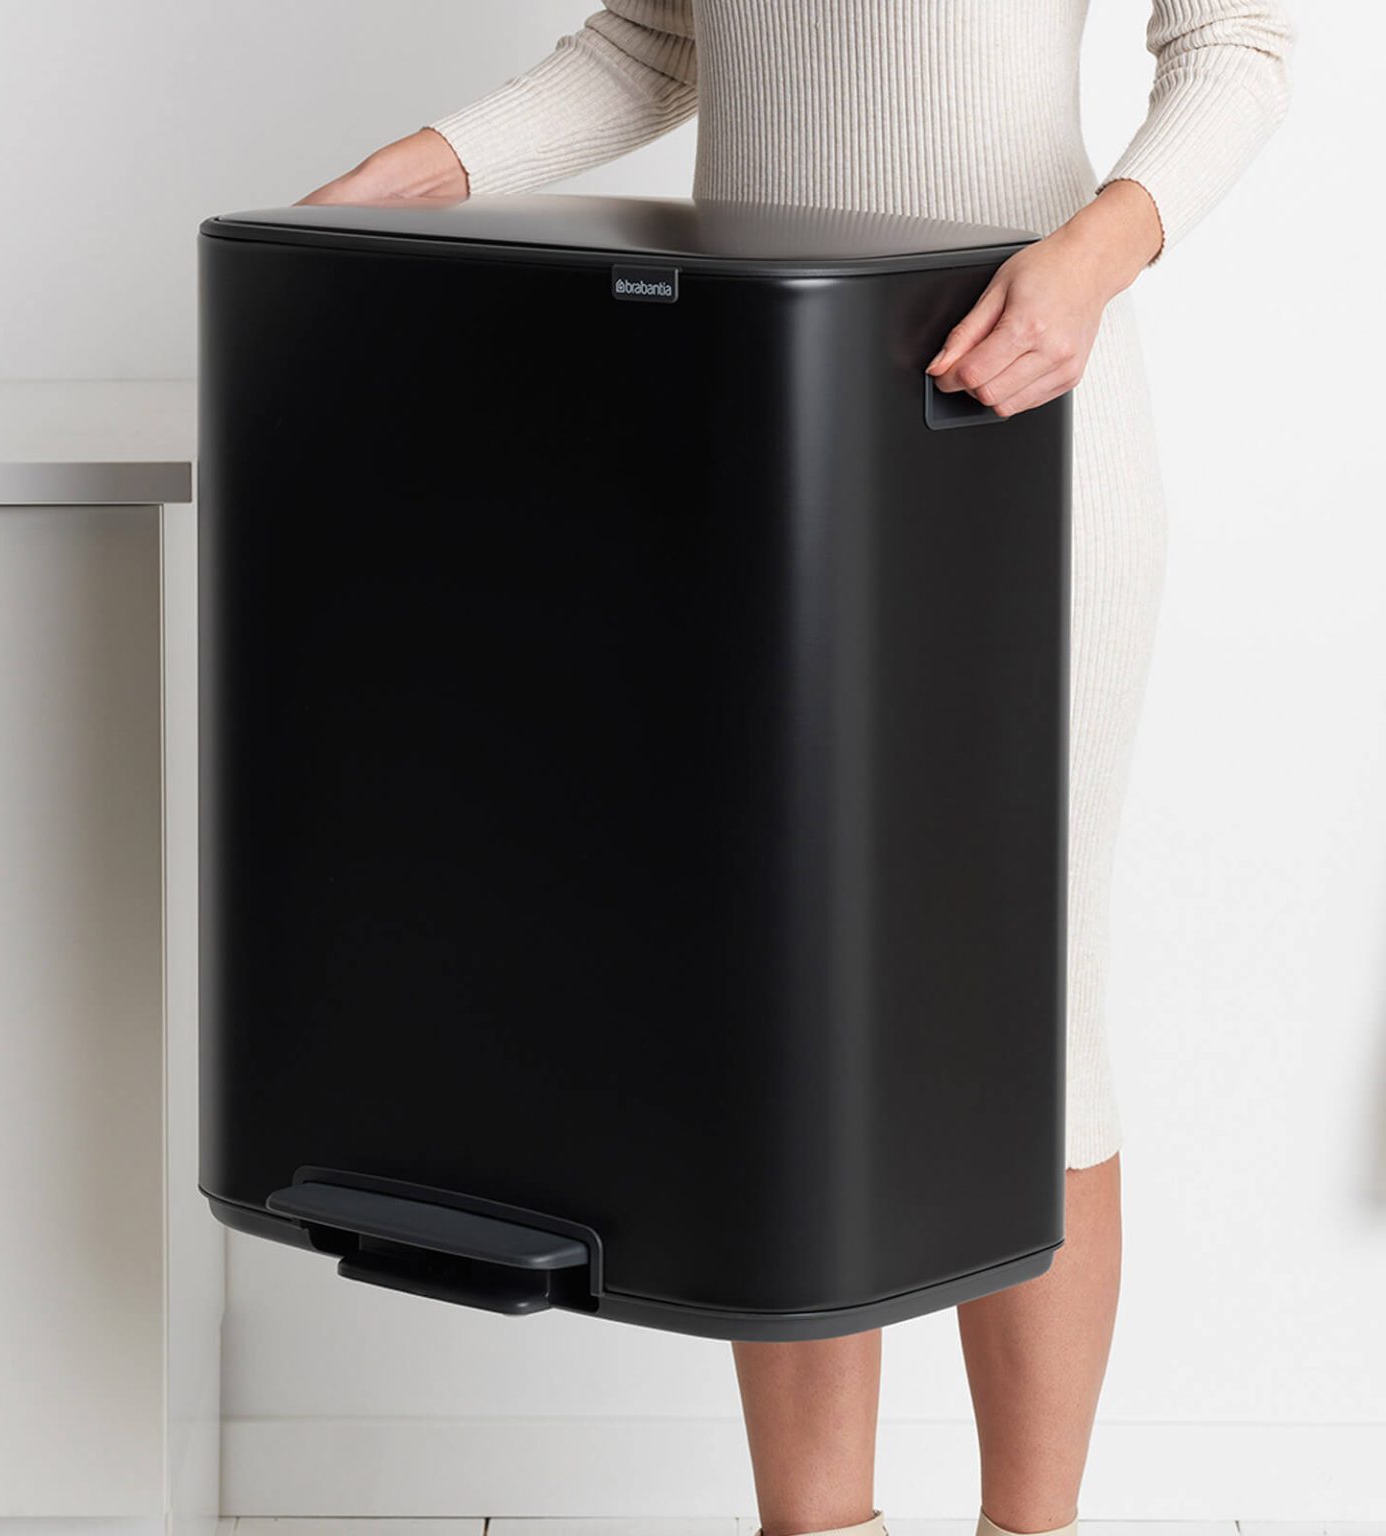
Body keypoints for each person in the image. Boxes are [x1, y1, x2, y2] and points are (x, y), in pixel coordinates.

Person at [300, 4, 1294, 1533]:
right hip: (756, 438)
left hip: (1015, 423)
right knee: (779, 1023)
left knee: (1030, 1028)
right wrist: (412, 177)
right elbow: (653, 43)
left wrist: (1096, 253)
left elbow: (1234, 45)